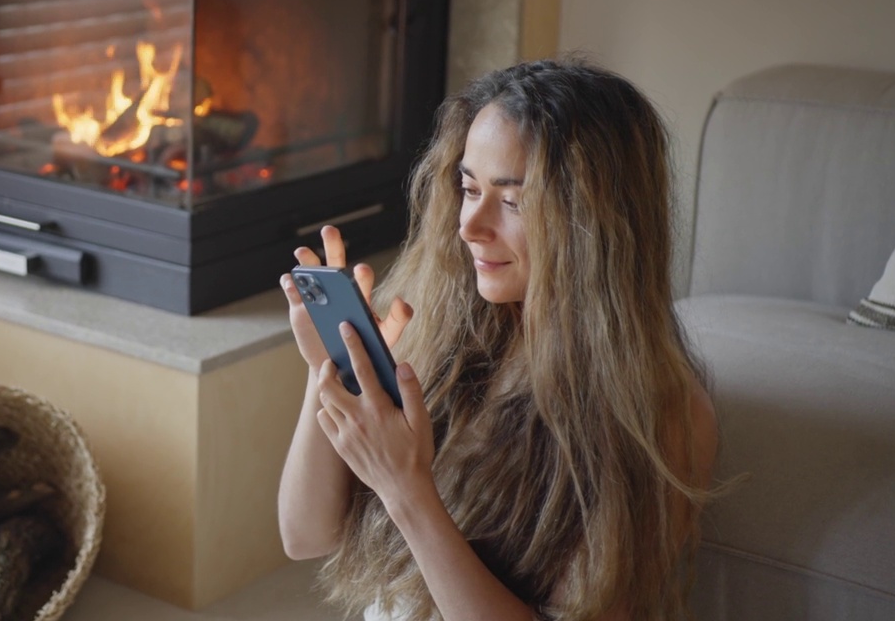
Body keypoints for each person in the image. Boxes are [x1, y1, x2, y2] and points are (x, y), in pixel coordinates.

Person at [277, 59, 719, 621]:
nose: (469, 225)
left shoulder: (661, 417)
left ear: (597, 222)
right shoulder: (446, 333)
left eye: (513, 201)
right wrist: (331, 372)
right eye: (468, 188)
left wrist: (407, 491)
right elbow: (304, 535)